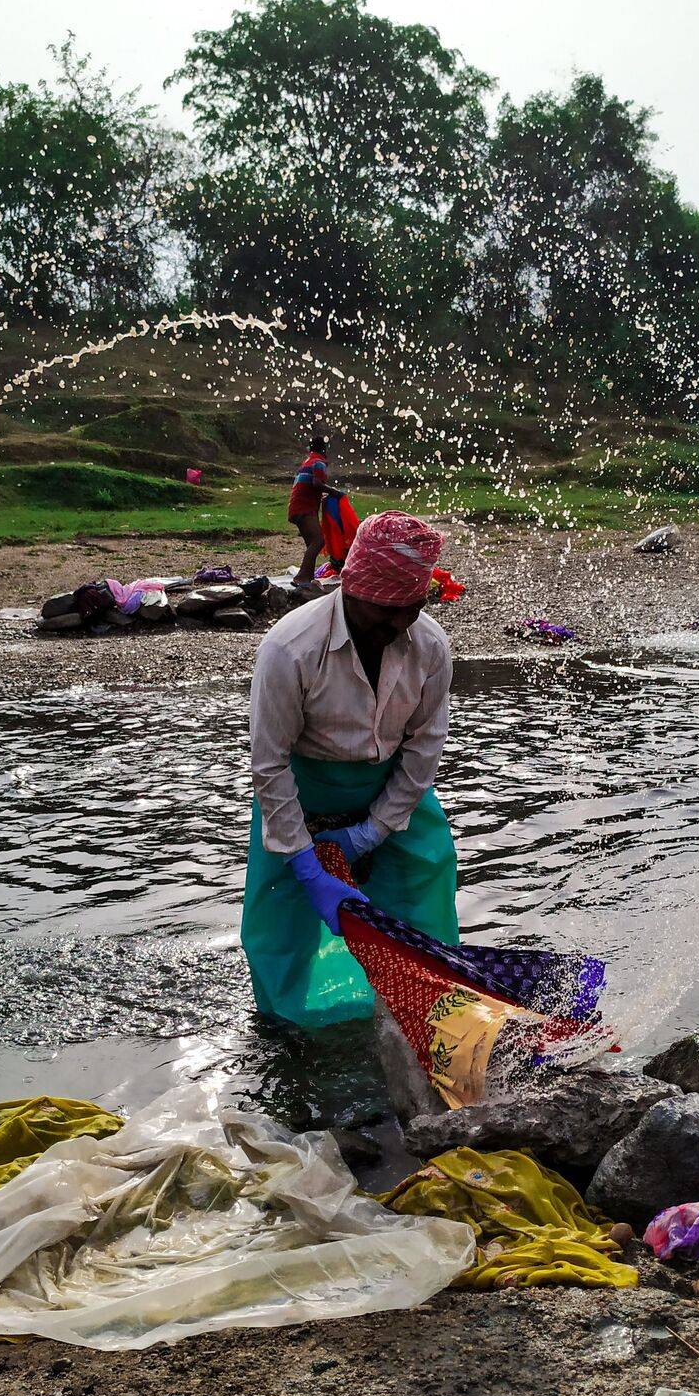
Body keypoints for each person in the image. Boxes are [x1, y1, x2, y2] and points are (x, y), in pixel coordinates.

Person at [241, 510, 457, 1027]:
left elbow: (425, 745)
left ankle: (428, 1019)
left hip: (393, 790)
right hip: (304, 794)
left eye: (413, 608)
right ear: (352, 589)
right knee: (280, 928)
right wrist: (306, 863)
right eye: (385, 612)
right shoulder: (290, 649)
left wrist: (372, 832)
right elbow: (269, 765)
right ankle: (289, 1035)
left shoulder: (429, 646)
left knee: (424, 902)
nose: (398, 625)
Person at [288, 435, 331, 586]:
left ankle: (308, 578)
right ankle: (301, 578)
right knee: (318, 541)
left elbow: (309, 485)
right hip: (304, 508)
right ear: (324, 449)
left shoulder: (308, 461)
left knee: (311, 544)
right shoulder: (319, 462)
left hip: (297, 507)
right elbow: (317, 483)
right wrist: (334, 492)